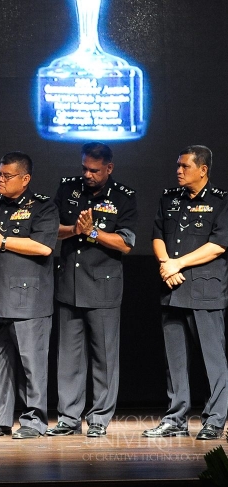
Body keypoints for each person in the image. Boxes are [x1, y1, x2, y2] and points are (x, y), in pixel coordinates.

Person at [46, 143, 137, 438]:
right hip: (69, 285)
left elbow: (126, 243)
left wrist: (93, 232)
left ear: (108, 168)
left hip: (103, 287)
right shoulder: (68, 189)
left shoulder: (124, 197)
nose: (87, 174)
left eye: (94, 170)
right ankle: (68, 417)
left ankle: (98, 418)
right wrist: (74, 230)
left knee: (104, 357)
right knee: (69, 357)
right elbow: (50, 229)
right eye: (84, 168)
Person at [0, 151, 58, 439]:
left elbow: (43, 247)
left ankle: (34, 421)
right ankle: (0, 418)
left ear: (25, 178)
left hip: (27, 299)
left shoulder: (42, 207)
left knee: (32, 363)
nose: (0, 180)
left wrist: (2, 241)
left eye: (7, 176)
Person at [144, 145, 228, 440]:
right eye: (178, 166)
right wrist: (167, 265)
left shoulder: (221, 202)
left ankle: (215, 419)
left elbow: (218, 245)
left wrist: (177, 263)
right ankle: (176, 418)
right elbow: (157, 236)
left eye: (185, 166)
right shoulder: (169, 198)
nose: (178, 171)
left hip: (205, 290)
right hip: (172, 288)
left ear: (203, 169)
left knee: (212, 359)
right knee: (174, 359)